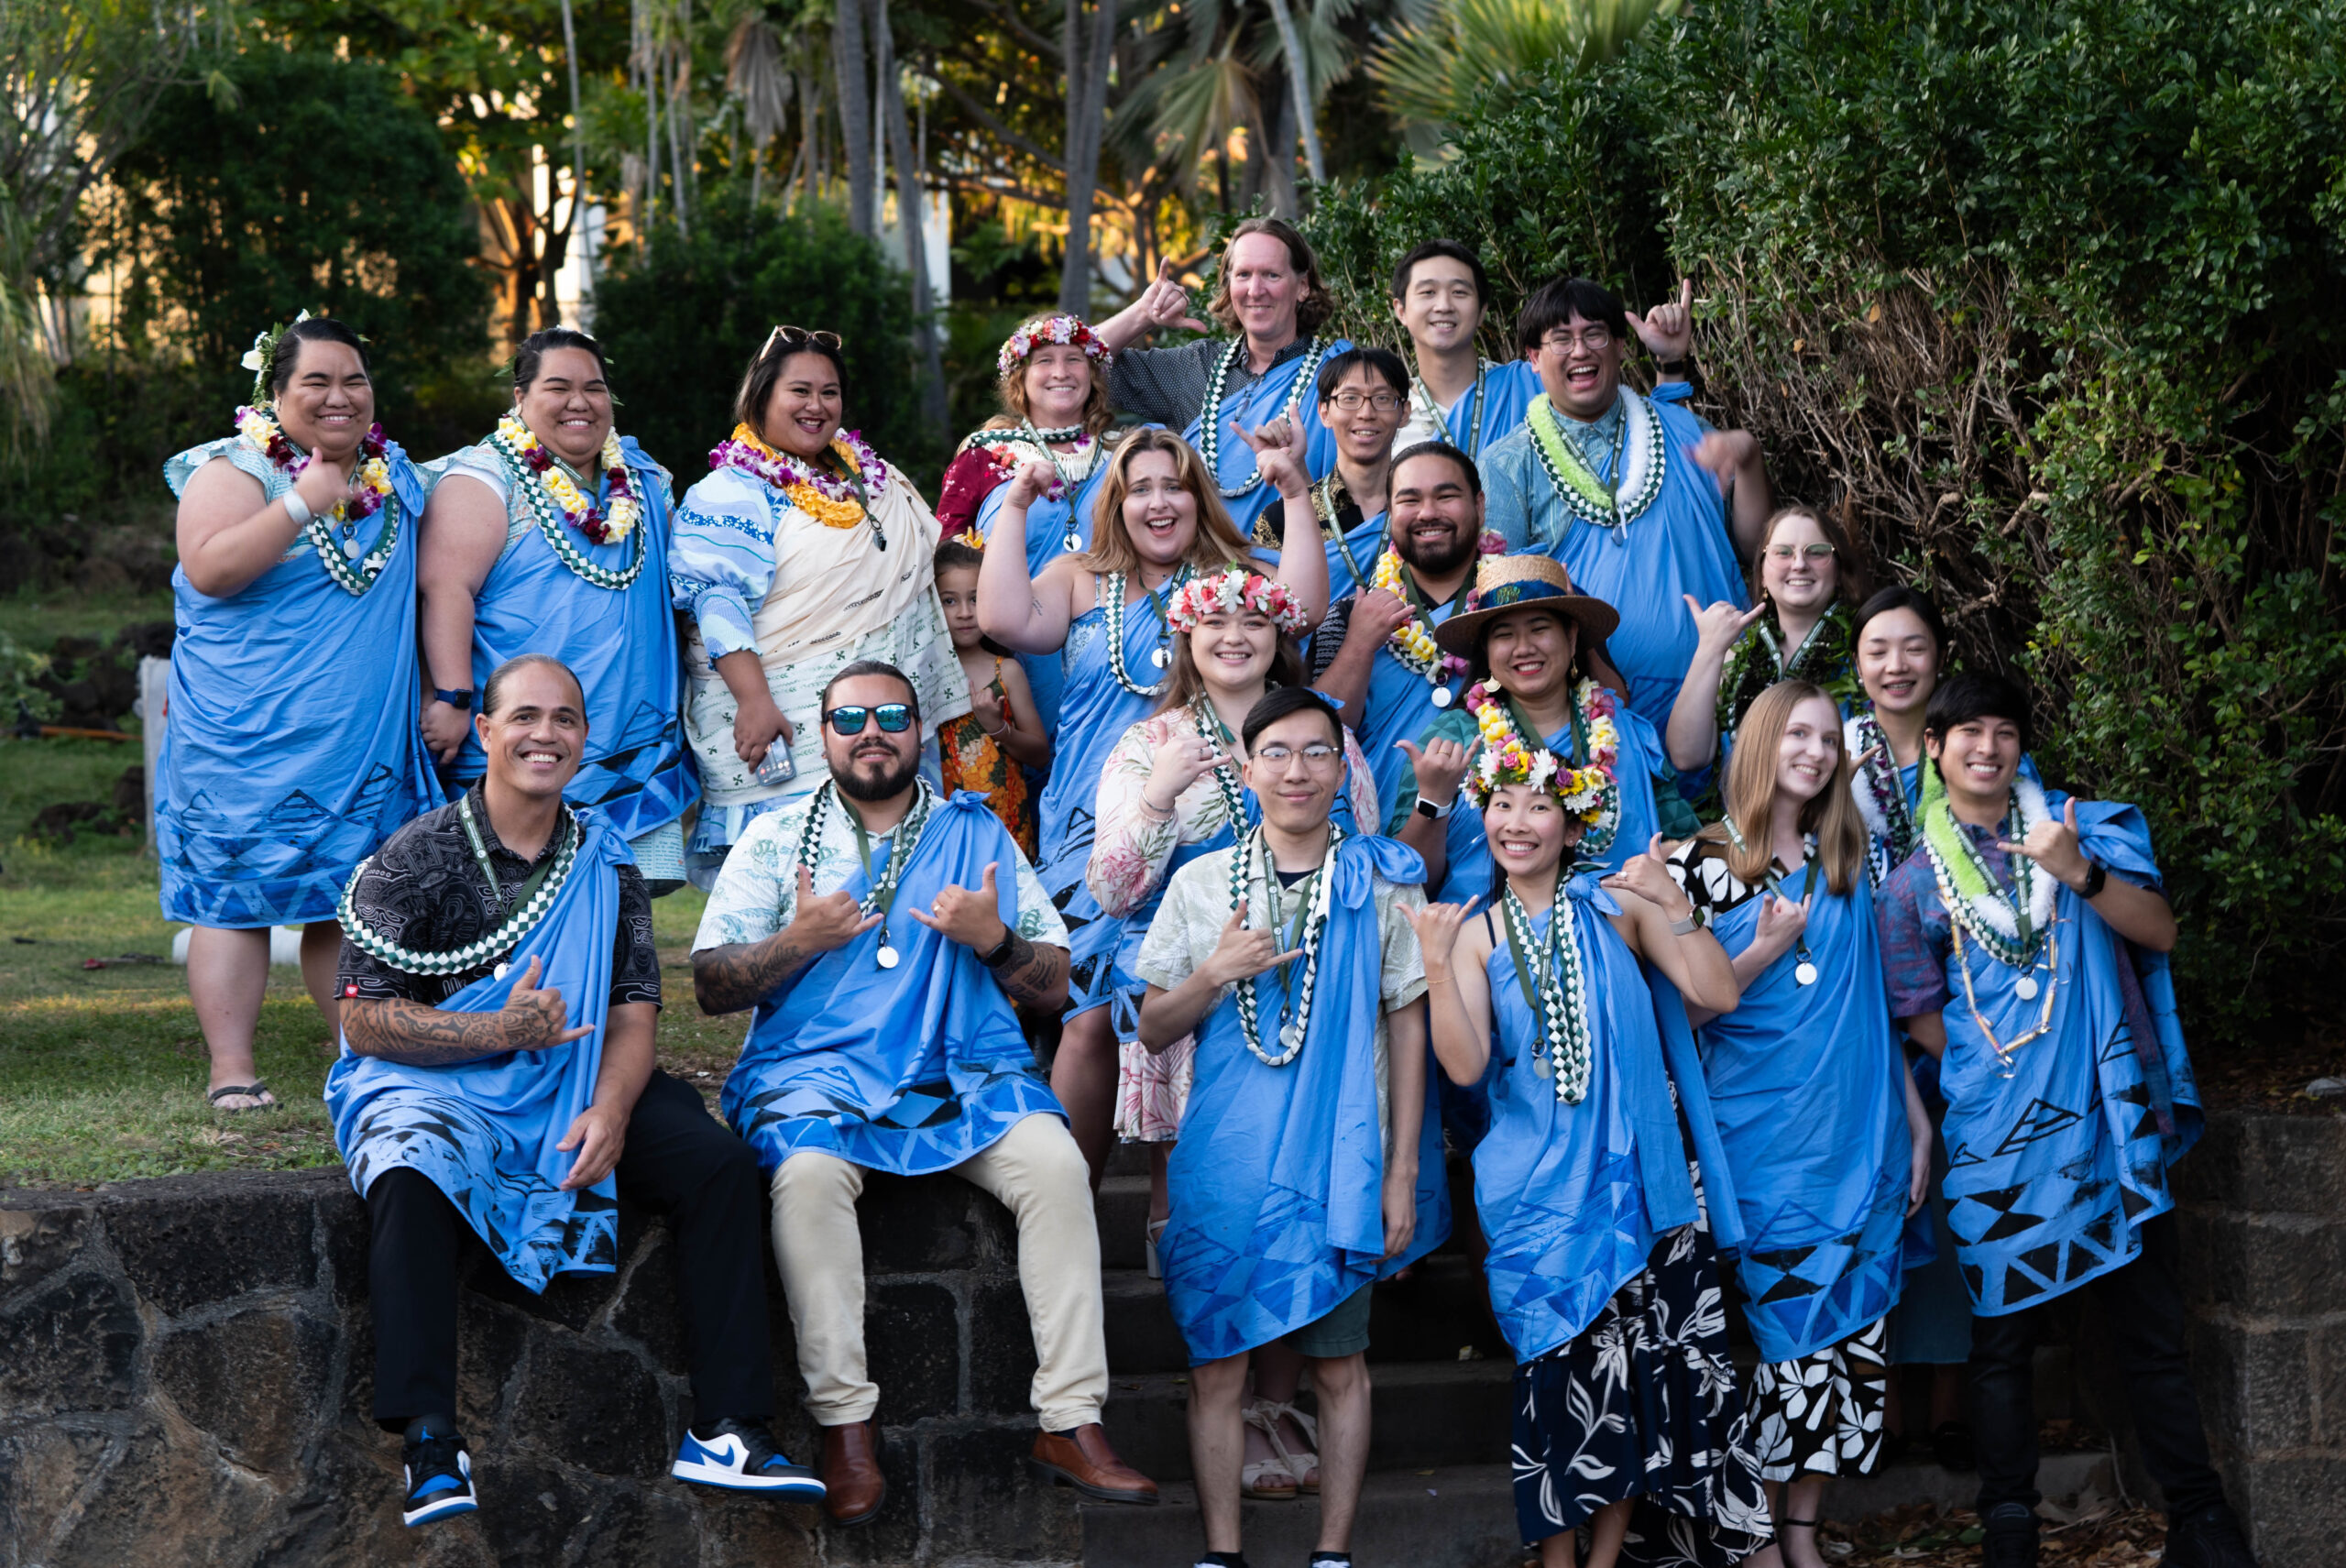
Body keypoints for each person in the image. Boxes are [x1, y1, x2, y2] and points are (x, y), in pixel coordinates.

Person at [329, 655, 816, 1526]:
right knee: (409, 1168)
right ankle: (432, 1444)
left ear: (585, 738)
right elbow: (365, 1022)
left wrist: (614, 1109)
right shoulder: (411, 859)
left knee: (715, 1162)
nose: (543, 735)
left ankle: (730, 1427)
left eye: (564, 719)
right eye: (523, 717)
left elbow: (633, 1009)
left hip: (581, 1070)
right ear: (483, 731)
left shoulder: (604, 856)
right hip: (442, 1081)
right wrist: (497, 1033)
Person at [689, 660, 1157, 1524]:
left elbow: (1055, 986)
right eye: (850, 717)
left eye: (893, 714)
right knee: (806, 1175)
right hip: (815, 1075)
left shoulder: (976, 836)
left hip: (962, 1072)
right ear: (823, 731)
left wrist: (993, 939)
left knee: (1056, 1166)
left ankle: (1072, 1420)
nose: (872, 731)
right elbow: (712, 986)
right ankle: (846, 1426)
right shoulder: (776, 837)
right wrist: (796, 940)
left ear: (919, 729)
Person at [1876, 674, 2254, 1568]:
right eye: (1967, 730)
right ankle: (2008, 1520)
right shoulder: (1908, 887)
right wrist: (1998, 1064)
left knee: (2150, 1335)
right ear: (1934, 747)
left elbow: (2157, 930)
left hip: (2103, 1129)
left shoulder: (2079, 829)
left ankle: (2199, 1519)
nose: (1987, 746)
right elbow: (1918, 1010)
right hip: (1991, 1143)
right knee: (1999, 1349)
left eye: (2004, 731)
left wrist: (2073, 869)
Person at [1409, 736, 1770, 1568]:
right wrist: (1433, 959)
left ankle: (1603, 1562)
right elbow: (1464, 1065)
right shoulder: (1473, 929)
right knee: (1559, 1381)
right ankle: (1558, 1560)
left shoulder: (1621, 903)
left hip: (1640, 1183)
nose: (1517, 822)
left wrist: (1673, 898)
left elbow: (1716, 991)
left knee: (1639, 1383)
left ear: (1573, 826)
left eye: (1538, 805)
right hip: (1537, 1193)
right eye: (1501, 805)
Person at [1134, 686, 1448, 1568]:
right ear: (1246, 769)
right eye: (1277, 753)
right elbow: (1154, 1025)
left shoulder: (1383, 877)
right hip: (1226, 1160)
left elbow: (1407, 1024)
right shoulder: (1202, 883)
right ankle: (1222, 1553)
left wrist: (1398, 1175)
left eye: (1318, 752)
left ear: (1342, 769)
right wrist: (1215, 972)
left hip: (1340, 1160)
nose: (1297, 770)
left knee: (1341, 1364)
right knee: (1217, 1368)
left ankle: (1334, 1551)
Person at [975, 427, 1328, 1191]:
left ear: (1196, 494)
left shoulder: (1230, 579)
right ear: (1118, 502)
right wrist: (1014, 504)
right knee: (1090, 1015)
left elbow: (1297, 610)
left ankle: (1187, 1204)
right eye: (1140, 488)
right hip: (1098, 830)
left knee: (1190, 1004)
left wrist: (1295, 491)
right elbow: (1004, 621)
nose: (1159, 501)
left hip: (1210, 822)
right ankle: (1067, 1202)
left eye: (1173, 484)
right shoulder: (1079, 576)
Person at [1664, 682, 1932, 1568]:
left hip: (1857, 1133)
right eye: (1799, 735)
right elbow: (1679, 1021)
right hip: (1758, 1142)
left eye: (1829, 740)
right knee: (1784, 1348)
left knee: (1849, 1342)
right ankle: (1752, 1540)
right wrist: (1762, 950)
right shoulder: (1697, 866)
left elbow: (1876, 1009)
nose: (1816, 753)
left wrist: (1913, 1114)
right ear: (1761, 741)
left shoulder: (1847, 861)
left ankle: (1802, 1532)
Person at [161, 313, 437, 1112]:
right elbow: (208, 568)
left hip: (356, 741)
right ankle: (232, 1070)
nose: (339, 396)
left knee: (349, 899)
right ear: (275, 392)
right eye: (315, 381)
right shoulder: (235, 470)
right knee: (234, 900)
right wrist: (302, 503)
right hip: (245, 740)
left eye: (354, 379)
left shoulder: (394, 476)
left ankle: (357, 1051)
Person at [669, 325, 969, 889]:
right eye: (799, 391)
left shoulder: (865, 479)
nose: (817, 406)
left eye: (829, 393)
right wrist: (754, 702)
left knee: (896, 883)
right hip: (783, 722)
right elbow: (717, 597)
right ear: (760, 396)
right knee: (792, 890)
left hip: (882, 719)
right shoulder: (729, 490)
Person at [417, 326, 695, 892]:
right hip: (527, 737)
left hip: (634, 742)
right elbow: (445, 589)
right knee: (516, 905)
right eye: (558, 387)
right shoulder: (484, 478)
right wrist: (449, 697)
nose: (580, 402)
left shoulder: (642, 478)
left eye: (594, 388)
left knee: (623, 910)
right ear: (519, 398)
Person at [1479, 275, 1771, 727]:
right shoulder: (1507, 464)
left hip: (1728, 692)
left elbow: (1756, 550)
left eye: (1594, 334)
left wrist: (1748, 460)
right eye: (1560, 339)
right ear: (1534, 358)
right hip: (1599, 720)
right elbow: (1506, 606)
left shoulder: (1682, 431)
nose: (1580, 350)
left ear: (1619, 345)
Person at [1843, 587, 1977, 1460]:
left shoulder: (1967, 739)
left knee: (1958, 1200)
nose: (1897, 665)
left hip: (1959, 996)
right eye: (1879, 649)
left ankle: (1955, 1408)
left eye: (1914, 647)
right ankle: (1885, 1412)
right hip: (1856, 996)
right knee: (1885, 1201)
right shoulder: (1836, 744)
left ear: (1940, 655)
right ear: (1857, 663)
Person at [1394, 554, 1689, 907]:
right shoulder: (1452, 739)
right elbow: (1407, 885)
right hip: (1485, 947)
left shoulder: (1623, 728)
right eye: (1504, 635)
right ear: (1486, 651)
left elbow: (1679, 840)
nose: (1524, 648)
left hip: (1629, 935)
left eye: (1539, 629)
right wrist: (1433, 801)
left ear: (1571, 634)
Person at [1093, 219, 1356, 535]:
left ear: (1302, 287)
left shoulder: (1341, 376)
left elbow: (1364, 500)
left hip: (1299, 568)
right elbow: (1075, 370)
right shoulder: (1197, 367)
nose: (1255, 290)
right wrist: (1142, 315)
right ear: (1229, 285)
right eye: (1243, 275)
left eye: (1271, 275)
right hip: (1199, 576)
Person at [939, 313, 1125, 731]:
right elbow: (945, 562)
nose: (1060, 372)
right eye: (1043, 361)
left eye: (1074, 359)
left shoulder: (1126, 452)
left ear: (1093, 374)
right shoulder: (982, 455)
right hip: (1008, 655)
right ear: (1019, 379)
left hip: (1110, 650)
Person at [1311, 439, 1503, 827]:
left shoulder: (1521, 602)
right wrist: (1360, 643)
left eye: (1446, 496)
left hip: (1498, 832)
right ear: (1389, 512)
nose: (1428, 513)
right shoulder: (1350, 613)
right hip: (1374, 839)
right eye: (1409, 500)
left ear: (1480, 505)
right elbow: (1322, 736)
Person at [1665, 503, 1869, 785]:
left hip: (1838, 823)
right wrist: (1710, 649)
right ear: (1762, 572)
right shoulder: (1734, 657)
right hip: (1744, 823)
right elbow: (1687, 757)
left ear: (1838, 571)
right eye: (1783, 552)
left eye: (1817, 552)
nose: (1799, 563)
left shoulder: (1867, 650)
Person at [934, 537, 1048, 856]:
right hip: (942, 832)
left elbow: (1040, 755)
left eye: (975, 598)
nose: (965, 613)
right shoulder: (924, 676)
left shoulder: (1006, 672)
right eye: (949, 601)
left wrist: (998, 728)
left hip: (1005, 827)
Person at [1387, 239, 1543, 458]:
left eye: (1459, 292)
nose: (1443, 306)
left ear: (1481, 312)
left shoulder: (1530, 389)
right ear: (1401, 311)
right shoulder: (1388, 416)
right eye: (1428, 292)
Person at [1257, 345, 1408, 566]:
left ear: (1404, 413)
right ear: (1325, 413)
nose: (1366, 413)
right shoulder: (1282, 519)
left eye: (1383, 399)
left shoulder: (1421, 510)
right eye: (1349, 398)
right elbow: (1271, 600)